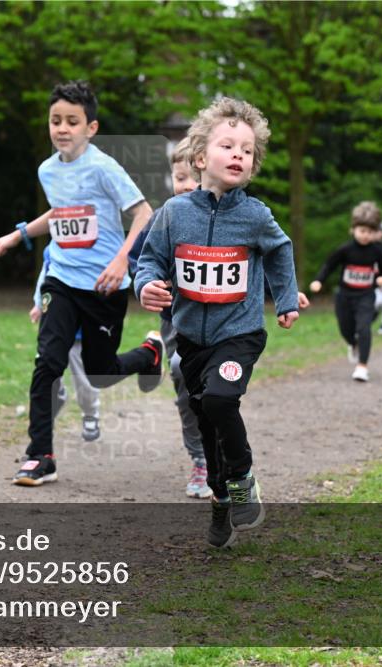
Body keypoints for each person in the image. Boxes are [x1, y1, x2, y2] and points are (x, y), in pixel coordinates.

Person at [135, 96, 300, 548]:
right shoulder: (174, 214)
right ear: (200, 158)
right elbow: (150, 261)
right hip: (190, 338)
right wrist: (146, 285)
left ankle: (243, 478)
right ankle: (221, 501)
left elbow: (280, 251)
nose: (238, 156)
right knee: (205, 418)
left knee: (221, 400)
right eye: (228, 146)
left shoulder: (255, 215)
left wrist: (285, 299)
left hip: (239, 335)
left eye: (247, 151)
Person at [0, 81, 163, 487]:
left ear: (91, 127)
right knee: (47, 362)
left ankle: (149, 353)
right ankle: (40, 456)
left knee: (101, 371)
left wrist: (123, 262)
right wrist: (19, 236)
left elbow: (143, 213)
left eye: (72, 121)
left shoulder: (104, 168)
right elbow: (59, 213)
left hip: (104, 286)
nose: (62, 128)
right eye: (55, 120)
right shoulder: (47, 170)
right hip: (61, 279)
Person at [127, 137, 210, 498]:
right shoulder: (164, 218)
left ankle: (228, 454)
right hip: (177, 322)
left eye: (195, 177)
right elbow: (139, 260)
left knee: (217, 392)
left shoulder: (229, 219)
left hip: (225, 323)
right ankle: (201, 459)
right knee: (181, 374)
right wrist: (146, 284)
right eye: (179, 177)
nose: (187, 185)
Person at [309, 202, 382, 382]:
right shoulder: (345, 249)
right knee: (346, 330)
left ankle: (362, 366)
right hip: (344, 296)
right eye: (362, 231)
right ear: (353, 229)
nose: (365, 235)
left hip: (366, 295)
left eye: (369, 232)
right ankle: (353, 344)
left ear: (375, 233)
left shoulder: (377, 251)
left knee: (364, 328)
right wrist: (318, 280)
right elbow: (329, 265)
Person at [30, 244, 101, 442]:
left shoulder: (96, 249)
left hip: (81, 330)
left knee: (84, 379)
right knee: (46, 368)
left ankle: (90, 413)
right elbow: (44, 278)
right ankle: (53, 401)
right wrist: (38, 304)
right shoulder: (52, 249)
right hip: (54, 323)